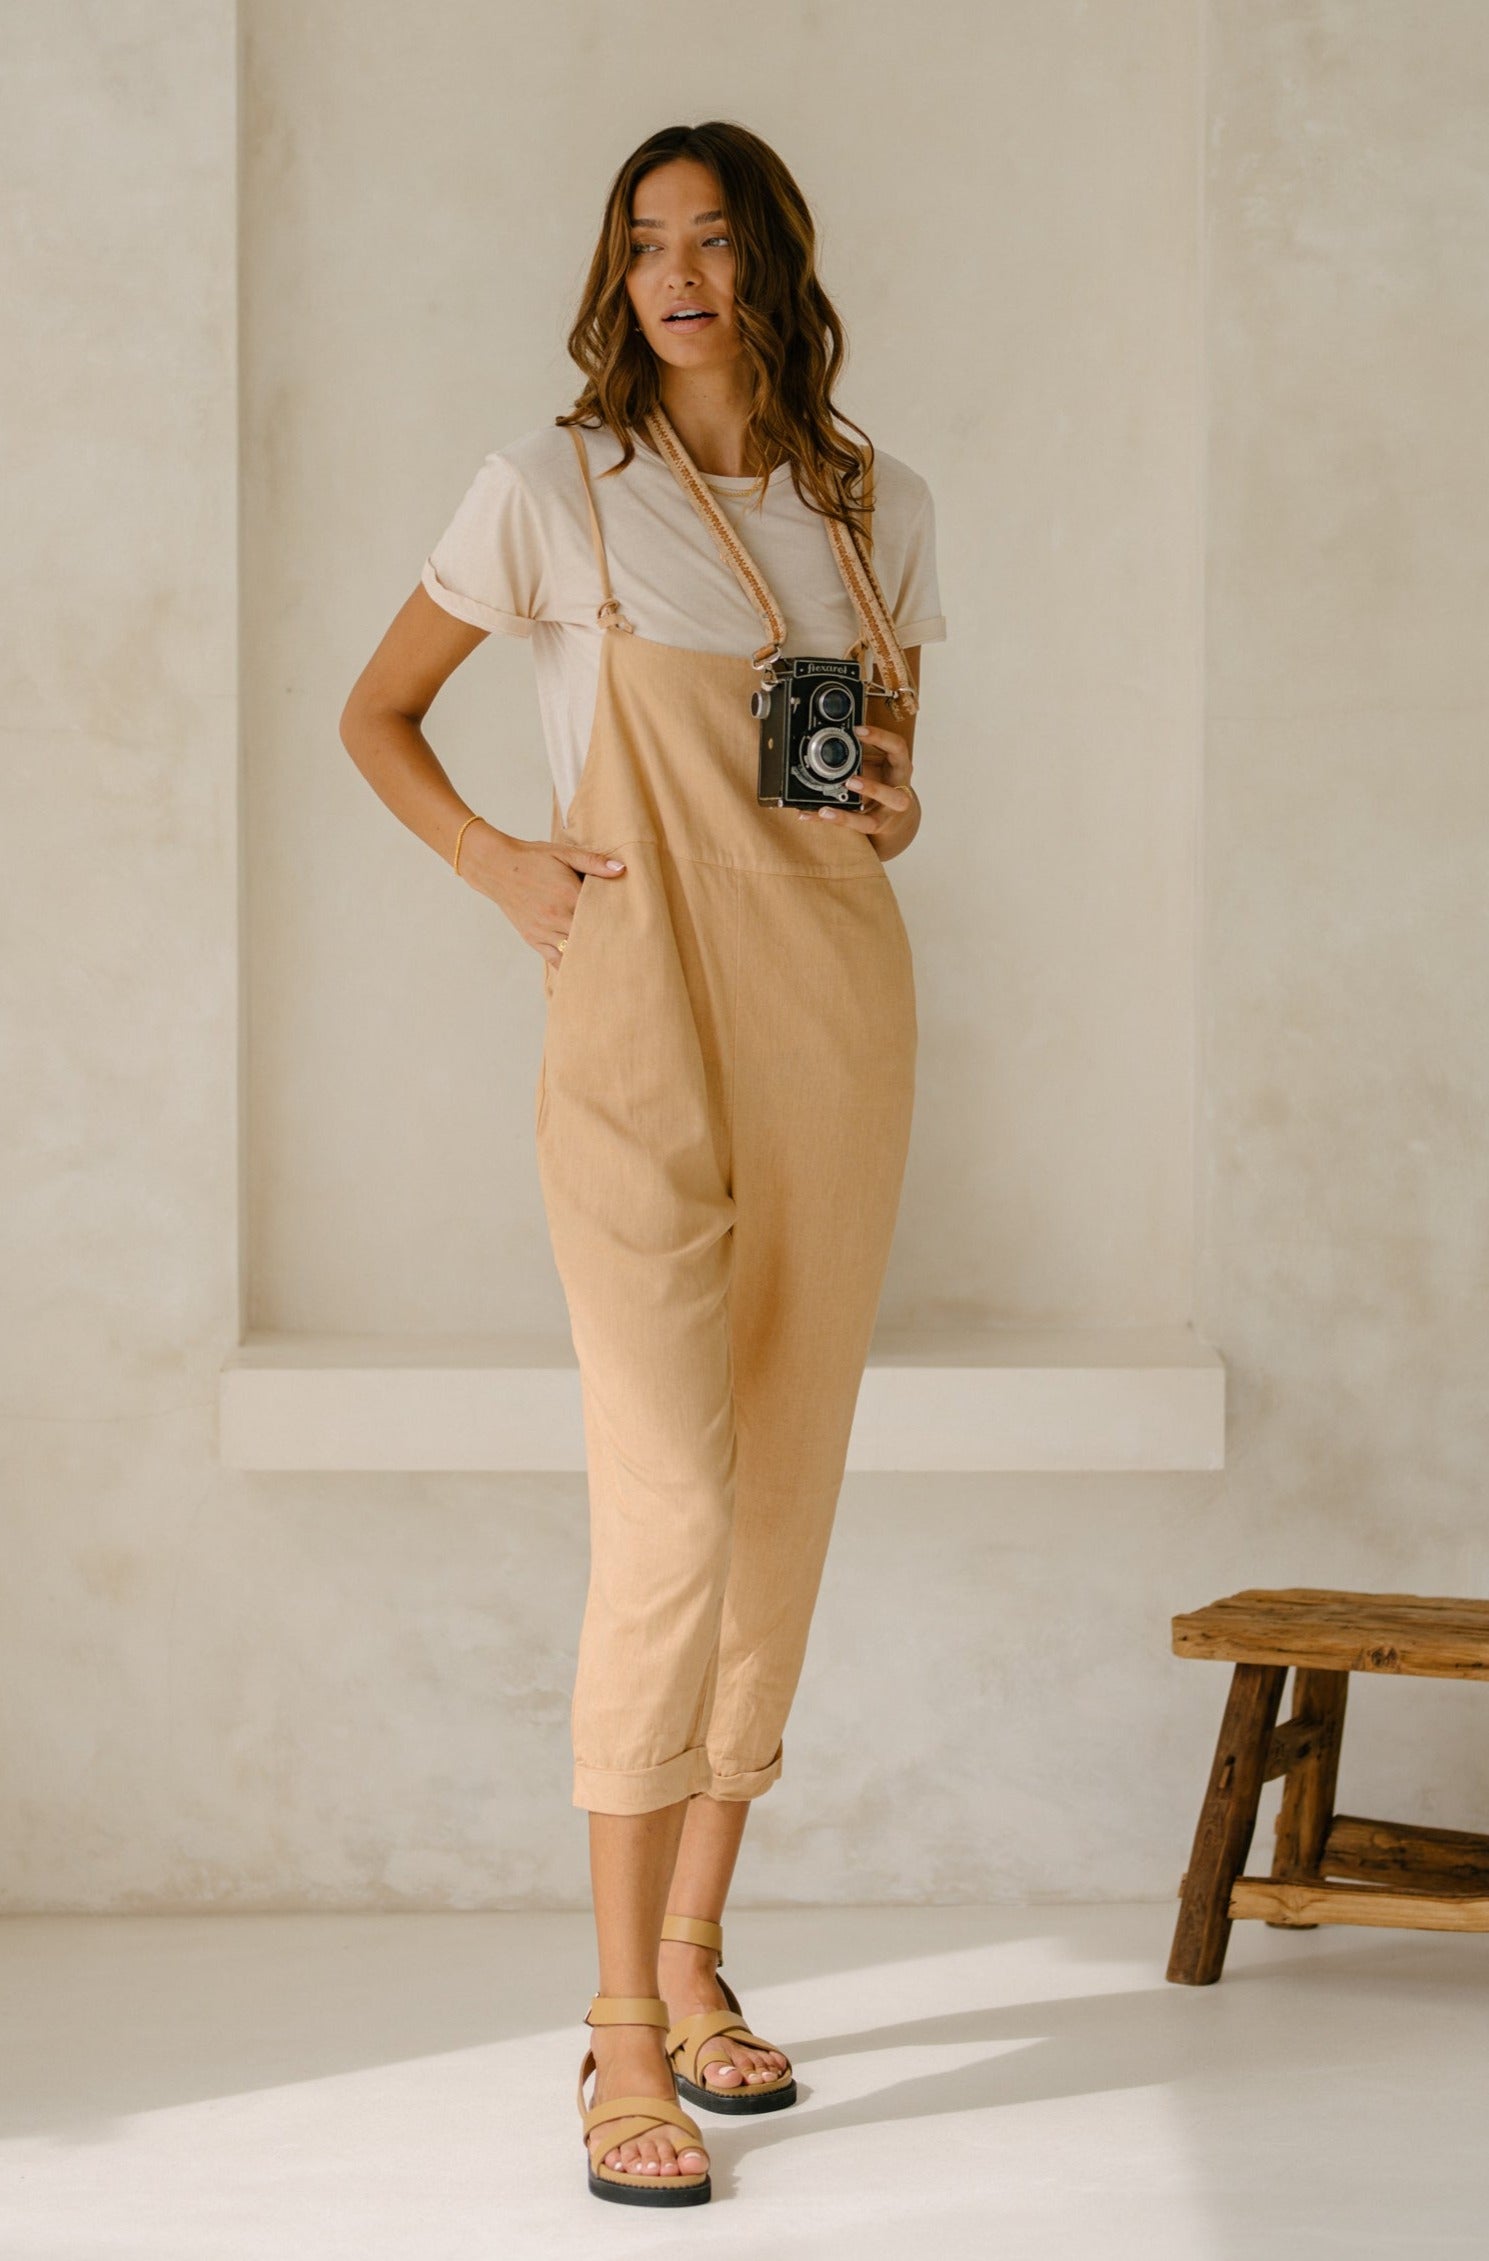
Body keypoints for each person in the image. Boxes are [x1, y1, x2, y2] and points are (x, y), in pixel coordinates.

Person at [339, 119, 945, 2209]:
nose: (675, 273)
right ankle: (613, 2038)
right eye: (643, 243)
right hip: (632, 1029)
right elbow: (379, 714)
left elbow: (891, 784)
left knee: (774, 1499)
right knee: (672, 1503)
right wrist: (507, 865)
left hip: (835, 1029)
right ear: (620, 278)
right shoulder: (552, 489)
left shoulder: (871, 505)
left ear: (774, 265)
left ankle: (697, 1959)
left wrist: (887, 806)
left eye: (710, 240)